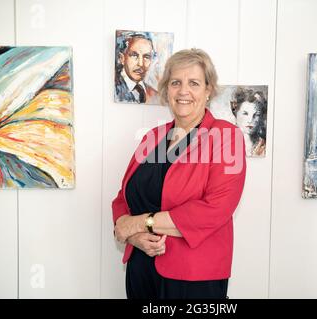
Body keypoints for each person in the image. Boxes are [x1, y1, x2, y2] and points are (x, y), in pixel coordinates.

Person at [112, 48, 247, 299]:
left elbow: (215, 209)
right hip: (141, 271)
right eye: (176, 83)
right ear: (167, 90)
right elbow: (123, 197)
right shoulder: (152, 138)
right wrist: (133, 235)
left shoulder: (226, 136)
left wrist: (141, 223)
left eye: (193, 83)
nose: (183, 91)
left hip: (193, 278)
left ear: (208, 91)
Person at [115, 32, 159, 104]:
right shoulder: (115, 90)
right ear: (122, 58)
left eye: (146, 57)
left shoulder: (155, 95)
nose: (141, 64)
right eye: (134, 55)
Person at [230, 87, 266, 156]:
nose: (250, 120)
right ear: (235, 112)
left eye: (256, 115)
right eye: (245, 113)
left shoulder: (264, 146)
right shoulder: (225, 143)